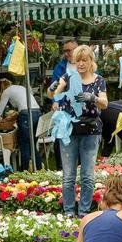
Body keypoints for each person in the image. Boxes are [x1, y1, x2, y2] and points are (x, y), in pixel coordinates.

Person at [52, 45, 108, 216]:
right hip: (69, 130)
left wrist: (93, 98)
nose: (81, 64)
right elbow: (53, 94)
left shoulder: (99, 80)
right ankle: (69, 211)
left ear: (91, 61)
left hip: (91, 130)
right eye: (78, 61)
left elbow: (105, 104)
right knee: (68, 175)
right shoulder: (68, 77)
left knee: (87, 175)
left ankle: (83, 212)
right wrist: (54, 87)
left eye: (85, 60)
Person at [0, 77, 42, 170]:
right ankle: (39, 169)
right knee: (32, 145)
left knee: (25, 145)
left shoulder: (6, 91)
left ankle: (24, 171)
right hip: (37, 113)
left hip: (26, 114)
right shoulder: (20, 88)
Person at [45, 39, 77, 170]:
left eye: (69, 50)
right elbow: (55, 86)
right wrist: (55, 102)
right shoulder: (60, 67)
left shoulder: (85, 64)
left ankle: (78, 167)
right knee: (60, 139)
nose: (67, 54)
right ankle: (60, 169)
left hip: (81, 109)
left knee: (78, 138)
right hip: (64, 110)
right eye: (65, 51)